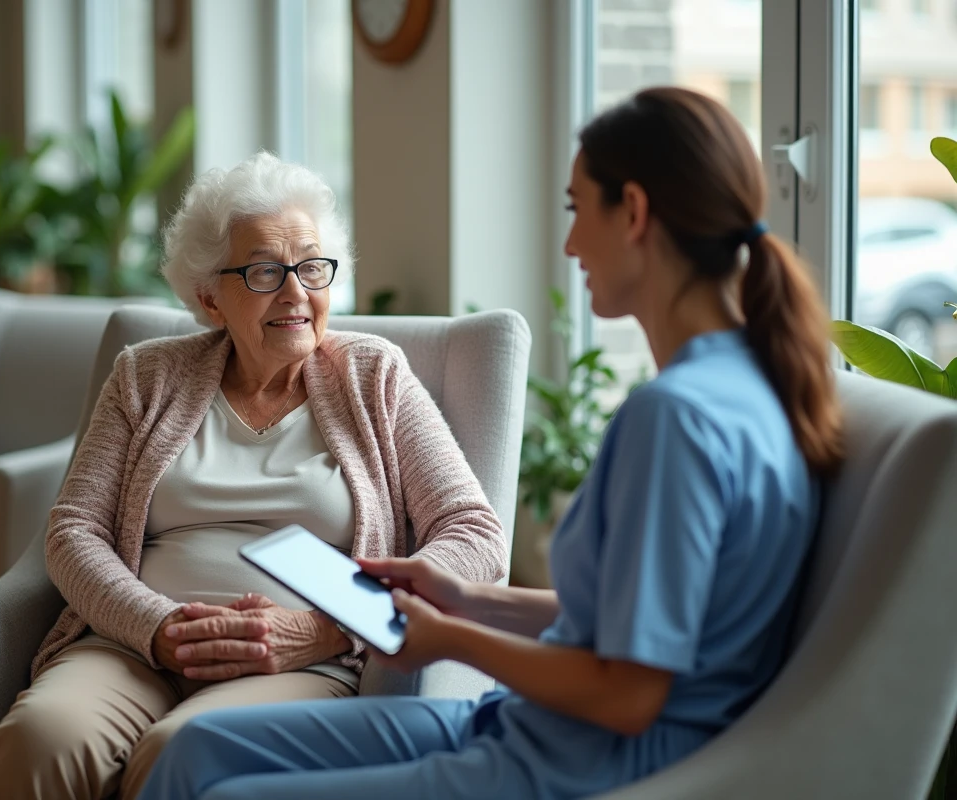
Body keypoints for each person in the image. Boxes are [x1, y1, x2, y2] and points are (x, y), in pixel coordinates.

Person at [141, 86, 846, 800]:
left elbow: (629, 695)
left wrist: (452, 638)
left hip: (575, 765)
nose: (570, 245)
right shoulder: (750, 385)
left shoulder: (677, 419)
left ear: (632, 212)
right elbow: (629, 625)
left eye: (576, 209)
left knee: (216, 789)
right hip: (528, 728)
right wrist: (467, 599)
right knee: (196, 750)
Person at [0, 152, 508, 800]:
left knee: (181, 754)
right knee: (37, 740)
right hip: (133, 647)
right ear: (209, 297)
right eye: (264, 271)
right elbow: (74, 529)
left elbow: (474, 535)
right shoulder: (146, 375)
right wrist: (157, 627)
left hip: (297, 660)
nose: (296, 293)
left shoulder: (375, 377)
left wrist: (332, 626)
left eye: (311, 266)